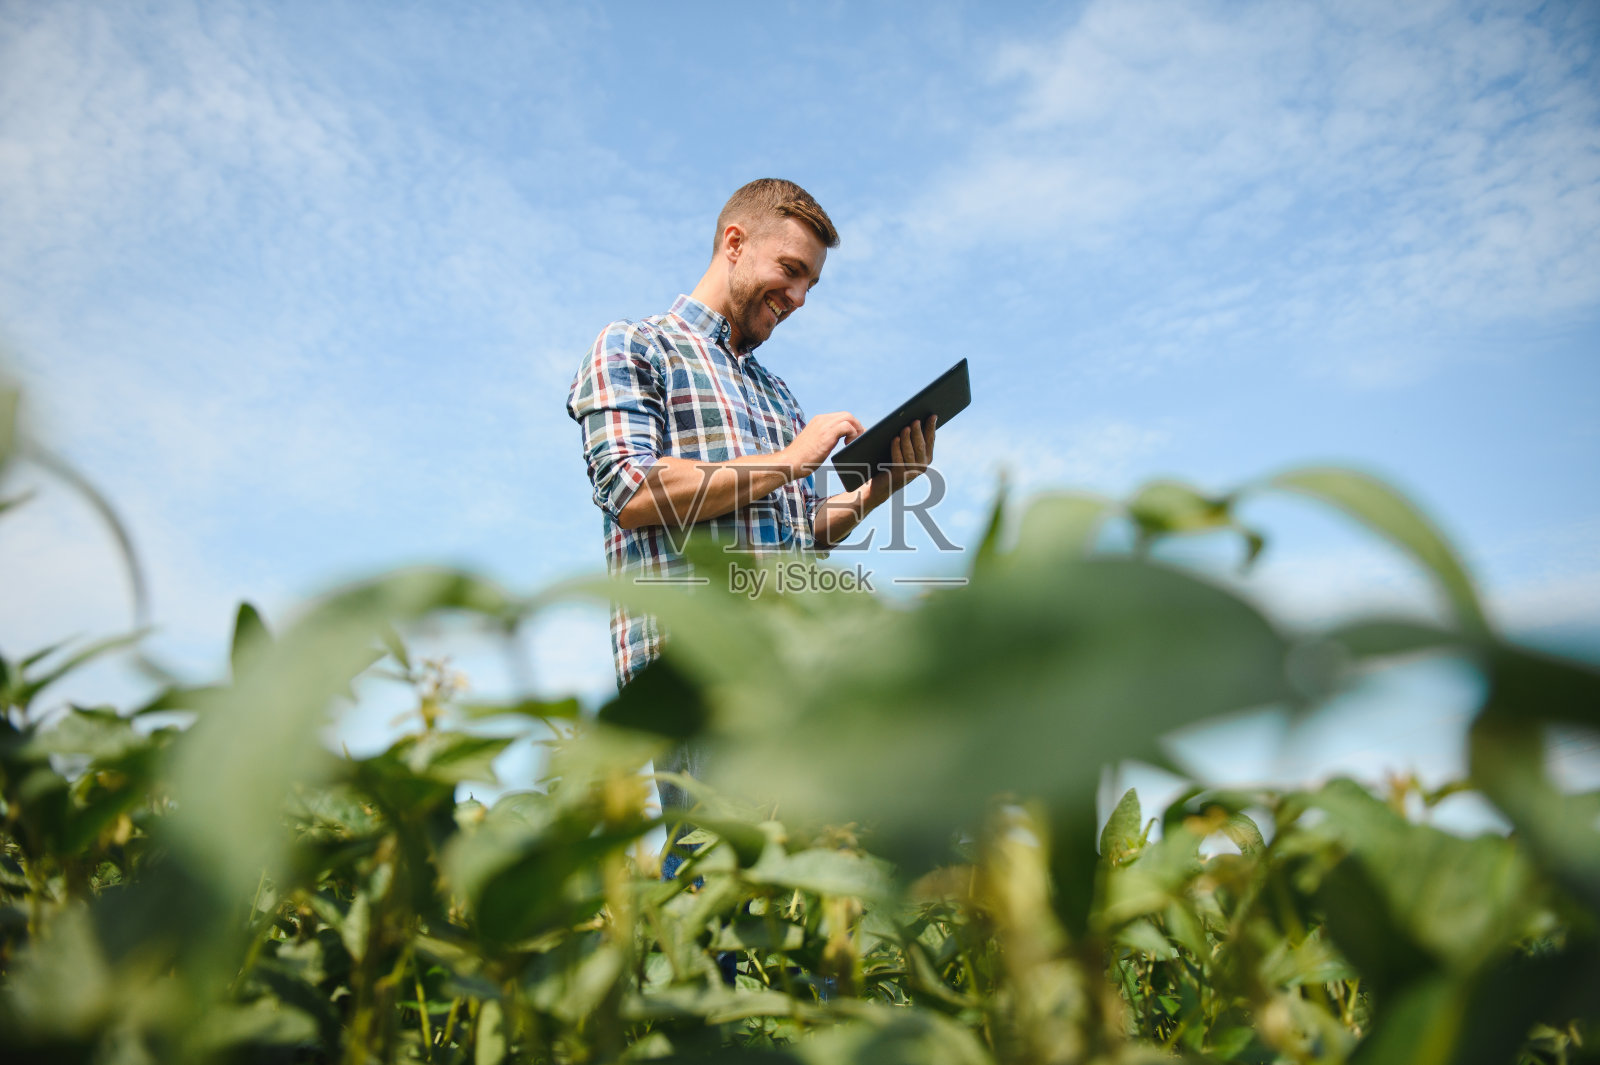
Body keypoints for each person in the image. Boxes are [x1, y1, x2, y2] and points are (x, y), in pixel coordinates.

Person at [566, 177, 936, 814]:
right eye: (791, 271)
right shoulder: (635, 345)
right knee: (715, 889)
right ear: (734, 243)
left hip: (796, 678)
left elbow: (800, 537)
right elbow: (632, 488)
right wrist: (791, 460)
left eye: (810, 286)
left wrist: (880, 491)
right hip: (700, 678)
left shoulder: (778, 393)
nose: (797, 297)